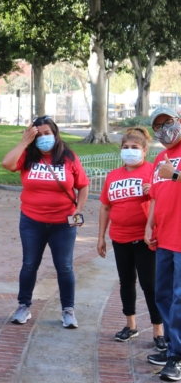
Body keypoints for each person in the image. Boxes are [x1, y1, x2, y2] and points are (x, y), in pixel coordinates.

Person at [2, 115, 89, 328]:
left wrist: (78, 211)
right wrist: (24, 142)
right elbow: (7, 163)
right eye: (37, 134)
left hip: (63, 223)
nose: (43, 138)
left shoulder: (68, 156)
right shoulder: (28, 156)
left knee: (65, 267)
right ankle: (23, 306)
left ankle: (68, 310)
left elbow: (83, 185)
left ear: (55, 133)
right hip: (32, 221)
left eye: (47, 133)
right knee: (30, 264)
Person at [97, 127, 165, 348]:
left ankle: (158, 330)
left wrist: (152, 190)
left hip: (145, 239)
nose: (129, 151)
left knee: (150, 285)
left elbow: (164, 200)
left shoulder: (153, 170)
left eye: (134, 148)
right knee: (126, 283)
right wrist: (101, 237)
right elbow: (105, 208)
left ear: (144, 151)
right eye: (125, 147)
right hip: (120, 238)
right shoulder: (113, 176)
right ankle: (131, 325)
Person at [145, 107, 181, 380]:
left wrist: (176, 175)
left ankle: (177, 358)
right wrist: (149, 225)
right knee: (163, 295)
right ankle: (171, 347)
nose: (164, 129)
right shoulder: (160, 158)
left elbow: (172, 180)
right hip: (165, 237)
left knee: (180, 299)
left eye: (168, 122)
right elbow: (156, 196)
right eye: (158, 126)